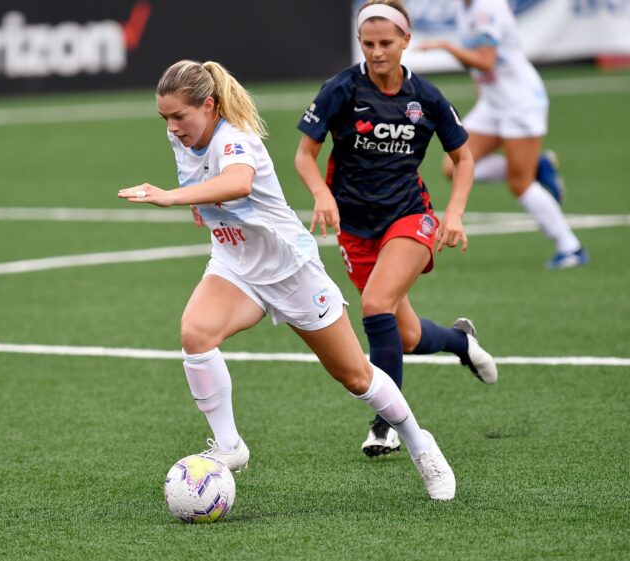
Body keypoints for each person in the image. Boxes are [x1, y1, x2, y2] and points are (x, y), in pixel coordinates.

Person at [118, 59, 457, 500]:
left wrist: (173, 198)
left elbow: (238, 183)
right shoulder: (179, 136)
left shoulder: (235, 141)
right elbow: (208, 181)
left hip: (289, 270)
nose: (173, 127)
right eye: (165, 118)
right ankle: (229, 446)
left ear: (209, 104)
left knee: (355, 376)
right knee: (195, 333)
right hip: (235, 266)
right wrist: (202, 206)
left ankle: (420, 443)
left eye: (180, 116)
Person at [294, 0, 498, 458]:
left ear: (406, 40)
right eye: (368, 43)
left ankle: (387, 423)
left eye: (386, 43)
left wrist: (456, 213)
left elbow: (463, 159)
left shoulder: (425, 97)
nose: (377, 51)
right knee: (403, 335)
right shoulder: (341, 89)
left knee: (375, 305)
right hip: (356, 227)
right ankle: (460, 342)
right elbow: (304, 155)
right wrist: (322, 196)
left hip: (410, 215)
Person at [417, 0, 588, 269]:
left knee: (520, 184)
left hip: (520, 102)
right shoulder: (465, 8)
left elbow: (486, 61)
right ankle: (537, 164)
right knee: (453, 166)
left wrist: (447, 47)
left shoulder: (487, 8)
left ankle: (570, 247)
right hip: (493, 104)